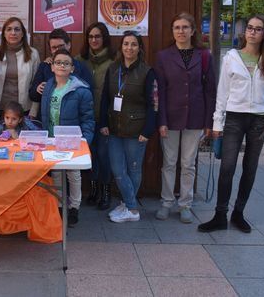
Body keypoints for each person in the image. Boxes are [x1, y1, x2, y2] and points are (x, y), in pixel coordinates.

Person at [199, 14, 264, 233]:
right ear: (244, 32)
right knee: (227, 167)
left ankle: (238, 213)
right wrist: (217, 122)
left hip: (260, 119)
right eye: (249, 28)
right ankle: (220, 215)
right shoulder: (232, 57)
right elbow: (222, 92)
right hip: (234, 117)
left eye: (258, 29)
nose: (252, 32)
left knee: (250, 168)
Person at [154, 13, 217, 223]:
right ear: (172, 31)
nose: (181, 31)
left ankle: (185, 204)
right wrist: (161, 120)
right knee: (169, 162)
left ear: (193, 30)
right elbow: (159, 91)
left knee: (188, 163)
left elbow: (210, 90)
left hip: (195, 117)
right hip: (170, 117)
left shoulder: (204, 55)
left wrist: (209, 122)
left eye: (185, 27)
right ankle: (166, 202)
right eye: (177, 27)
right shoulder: (163, 56)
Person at [99, 31, 156, 223]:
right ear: (121, 47)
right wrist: (103, 123)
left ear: (139, 48)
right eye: (126, 44)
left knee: (133, 169)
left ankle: (131, 209)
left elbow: (153, 103)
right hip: (114, 128)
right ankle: (129, 204)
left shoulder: (147, 72)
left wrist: (148, 130)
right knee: (118, 169)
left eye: (133, 44)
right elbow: (105, 98)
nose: (129, 48)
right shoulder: (113, 69)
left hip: (136, 130)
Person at [41, 49, 94, 226]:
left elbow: (88, 118)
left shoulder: (81, 91)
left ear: (72, 68)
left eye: (66, 63)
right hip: (51, 138)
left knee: (74, 174)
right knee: (56, 172)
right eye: (58, 62)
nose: (62, 66)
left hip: (72, 141)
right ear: (52, 67)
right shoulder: (48, 87)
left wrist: (84, 140)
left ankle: (74, 207)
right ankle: (59, 204)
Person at [76, 22, 114, 210]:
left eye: (97, 36)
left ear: (104, 38)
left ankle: (105, 192)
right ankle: (93, 189)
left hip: (105, 118)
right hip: (85, 118)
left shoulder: (114, 61)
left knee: (104, 155)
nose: (94, 40)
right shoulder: (80, 60)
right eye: (90, 37)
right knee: (90, 156)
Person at [0, 17, 41, 127]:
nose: (13, 33)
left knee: (21, 142)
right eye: (9, 29)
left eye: (17, 29)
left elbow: (36, 85)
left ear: (22, 34)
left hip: (23, 110)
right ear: (4, 33)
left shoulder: (33, 54)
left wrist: (33, 111)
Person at [29, 28, 93, 106]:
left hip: (72, 116)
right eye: (54, 47)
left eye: (61, 46)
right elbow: (32, 95)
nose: (58, 50)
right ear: (50, 50)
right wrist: (37, 90)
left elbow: (88, 95)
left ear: (69, 45)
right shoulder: (44, 66)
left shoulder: (81, 67)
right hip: (48, 116)